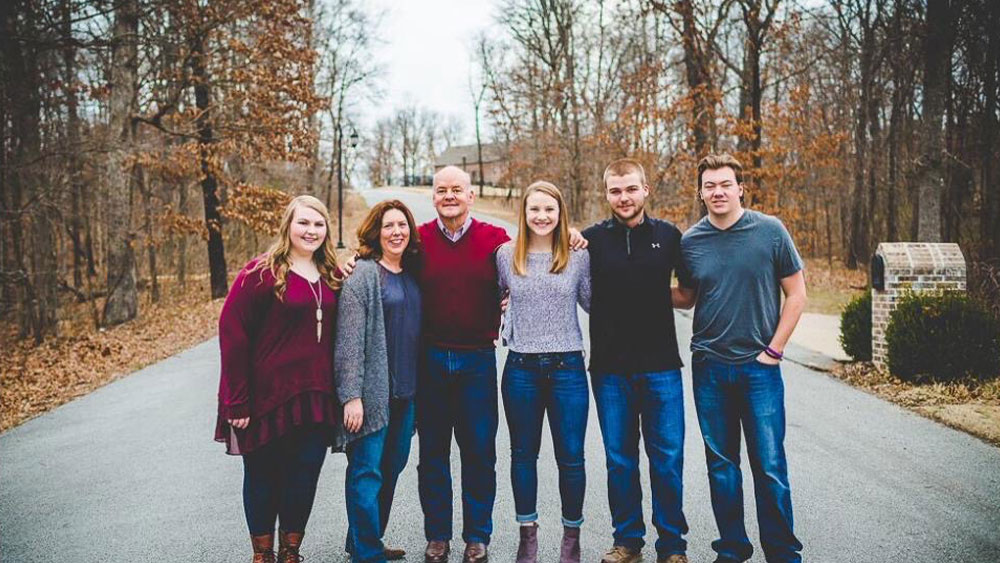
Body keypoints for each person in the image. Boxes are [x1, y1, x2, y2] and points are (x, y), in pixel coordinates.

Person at [674, 153, 807, 563]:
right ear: (701, 192)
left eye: (725, 184)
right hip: (709, 367)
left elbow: (797, 294)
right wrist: (639, 289)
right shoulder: (691, 241)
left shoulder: (770, 232)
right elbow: (687, 297)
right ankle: (732, 548)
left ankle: (782, 552)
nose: (718, 192)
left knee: (768, 467)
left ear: (740, 188)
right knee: (721, 467)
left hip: (759, 369)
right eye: (710, 186)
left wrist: (775, 349)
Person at [215, 195, 342, 563]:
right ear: (288, 225)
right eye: (304, 223)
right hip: (266, 397)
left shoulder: (333, 275)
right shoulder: (261, 272)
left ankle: (291, 552)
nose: (311, 231)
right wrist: (236, 400)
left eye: (318, 224)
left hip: (316, 397)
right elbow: (232, 332)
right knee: (262, 476)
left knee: (304, 476)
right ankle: (263, 555)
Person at [581, 158, 690, 563]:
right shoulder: (590, 240)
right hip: (610, 370)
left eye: (630, 189)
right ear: (606, 193)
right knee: (620, 460)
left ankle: (673, 546)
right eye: (615, 190)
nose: (623, 198)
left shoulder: (669, 235)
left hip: (662, 367)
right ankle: (628, 540)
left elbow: (690, 292)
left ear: (645, 189)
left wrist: (649, 298)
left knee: (666, 460)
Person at [416, 165, 511, 563]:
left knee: (478, 452)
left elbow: (530, 267)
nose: (449, 196)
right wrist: (350, 263)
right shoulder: (416, 240)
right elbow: (378, 262)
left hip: (477, 360)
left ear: (471, 195)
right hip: (430, 359)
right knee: (433, 454)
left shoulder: (495, 240)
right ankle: (437, 535)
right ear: (433, 196)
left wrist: (574, 238)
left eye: (457, 189)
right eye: (442, 190)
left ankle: (477, 535)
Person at [495, 181, 591, 563]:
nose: (542, 216)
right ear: (524, 212)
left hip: (568, 366)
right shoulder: (505, 255)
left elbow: (595, 303)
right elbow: (495, 296)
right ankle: (528, 536)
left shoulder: (577, 255)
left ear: (560, 213)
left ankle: (572, 537)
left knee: (571, 457)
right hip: (521, 368)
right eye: (534, 209)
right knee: (523, 455)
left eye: (549, 210)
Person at [334, 200, 423, 563]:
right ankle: (368, 553)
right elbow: (348, 341)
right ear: (376, 231)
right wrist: (351, 395)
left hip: (407, 393)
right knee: (366, 472)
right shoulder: (363, 274)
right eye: (388, 226)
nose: (396, 231)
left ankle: (365, 539)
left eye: (402, 225)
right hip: (372, 396)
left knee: (391, 468)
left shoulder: (414, 272)